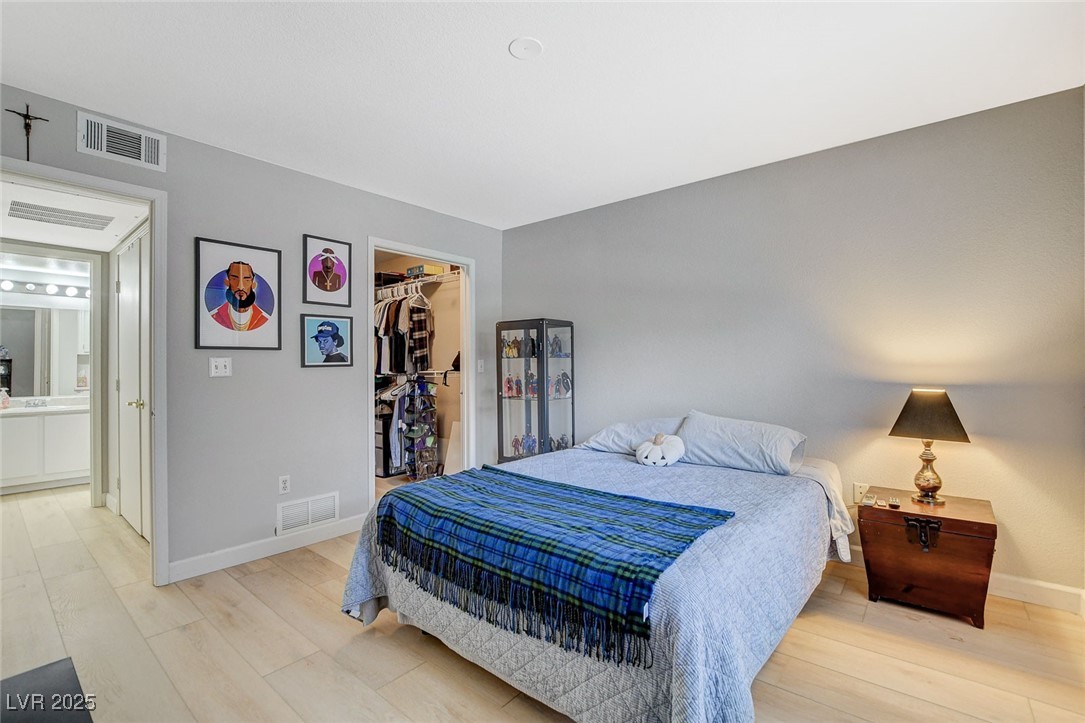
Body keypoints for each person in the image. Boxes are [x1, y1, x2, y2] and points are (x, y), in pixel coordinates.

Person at [211, 261, 270, 331]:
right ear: (227, 282)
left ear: (253, 285)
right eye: (234, 279)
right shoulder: (215, 316)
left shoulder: (264, 319)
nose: (240, 287)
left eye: (247, 280)